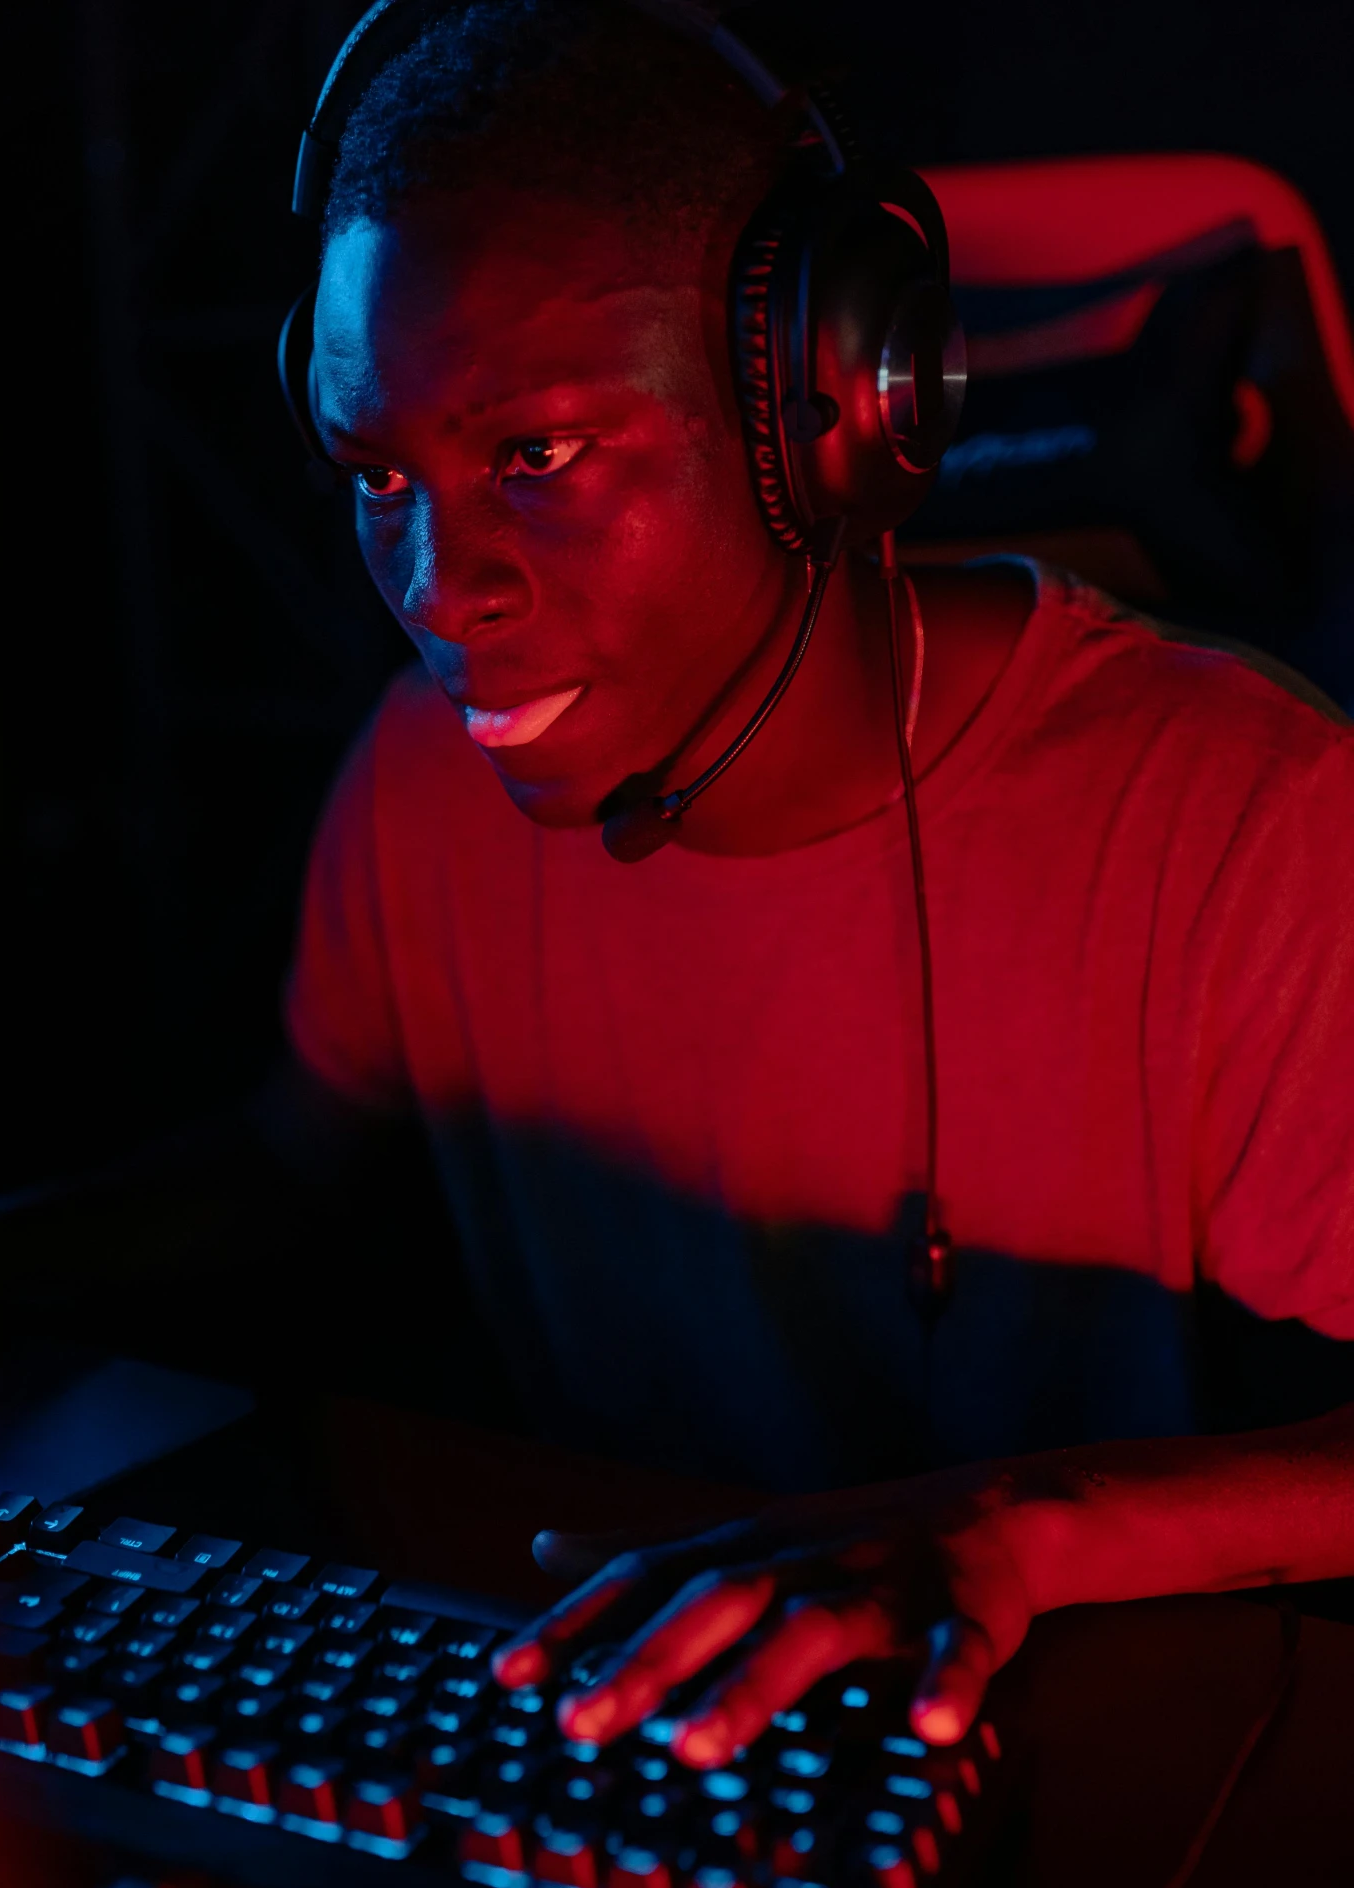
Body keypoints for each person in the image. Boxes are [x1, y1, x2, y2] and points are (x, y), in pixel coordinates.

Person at [281, 0, 1354, 1763]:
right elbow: (292, 1181)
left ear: (821, 409)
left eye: (533, 460)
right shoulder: (419, 776)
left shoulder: (1242, 831)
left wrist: (1017, 1530)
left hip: (1073, 1801)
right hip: (615, 1753)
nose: (433, 581)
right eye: (377, 473)